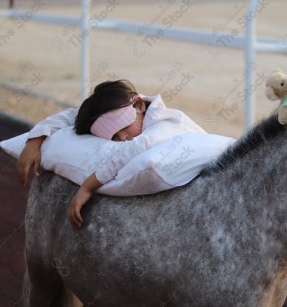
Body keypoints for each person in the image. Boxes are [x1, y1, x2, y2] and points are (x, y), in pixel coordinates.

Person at [16, 79, 206, 229]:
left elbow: (133, 150)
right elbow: (71, 116)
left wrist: (87, 187)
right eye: (113, 136)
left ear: (139, 106)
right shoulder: (134, 106)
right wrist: (35, 140)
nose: (122, 137)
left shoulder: (165, 123)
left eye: (123, 126)